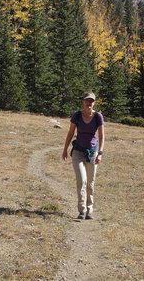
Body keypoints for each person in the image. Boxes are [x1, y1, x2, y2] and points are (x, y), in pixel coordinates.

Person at [62, 91, 105, 220]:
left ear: (94, 103)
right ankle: (82, 210)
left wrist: (100, 153)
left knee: (90, 182)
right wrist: (65, 150)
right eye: (87, 100)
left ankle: (89, 210)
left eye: (91, 101)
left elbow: (102, 137)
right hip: (78, 152)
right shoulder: (77, 116)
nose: (89, 103)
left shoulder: (98, 117)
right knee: (82, 180)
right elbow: (70, 133)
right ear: (83, 102)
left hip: (92, 153)